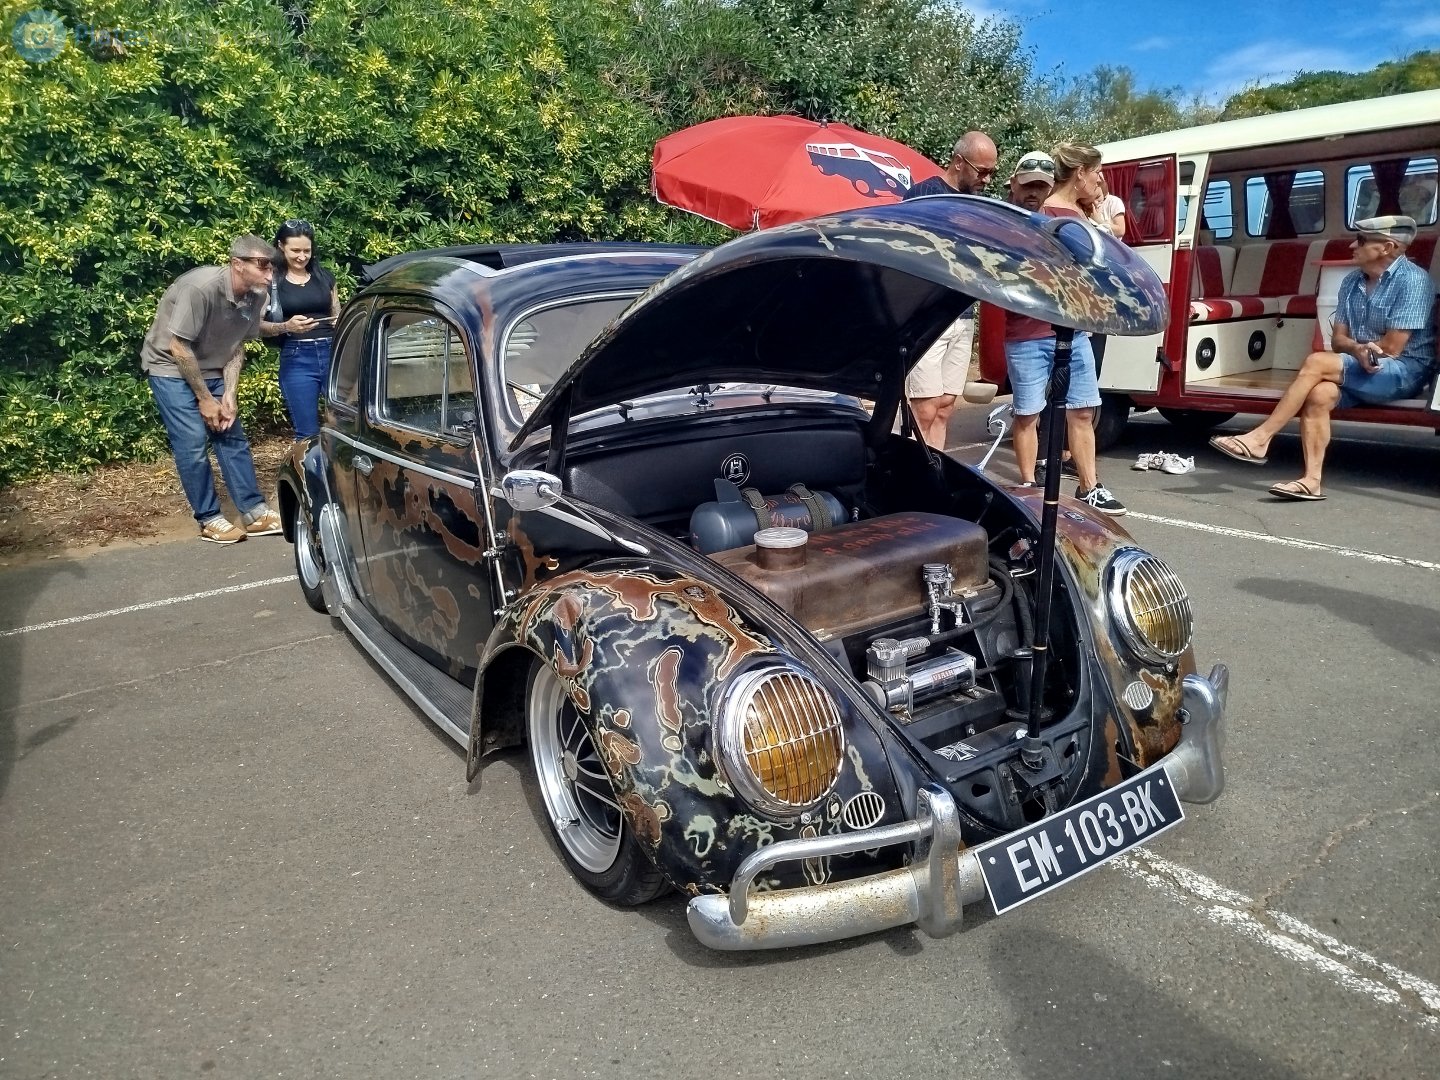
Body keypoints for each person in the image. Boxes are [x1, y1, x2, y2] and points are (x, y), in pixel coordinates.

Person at [1208, 215, 1436, 501]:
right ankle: (1311, 480)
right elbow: (1339, 339)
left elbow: (1392, 347)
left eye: (1362, 240)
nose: (1353, 245)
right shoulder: (1352, 281)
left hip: (1405, 371)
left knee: (1317, 362)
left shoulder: (1414, 281)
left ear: (1387, 247)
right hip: (1364, 366)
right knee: (1319, 394)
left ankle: (1260, 438)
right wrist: (1357, 350)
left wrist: (1359, 350)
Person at [1003, 142, 1126, 515]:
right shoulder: (1029, 217)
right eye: (1098, 173)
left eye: (1042, 186)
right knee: (1028, 414)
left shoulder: (1075, 217)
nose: (1035, 193)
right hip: (1028, 332)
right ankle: (1027, 488)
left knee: (1084, 410)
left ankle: (1090, 486)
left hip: (1074, 330)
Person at [140, 236, 284, 544]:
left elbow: (237, 346)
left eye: (271, 266)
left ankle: (254, 512)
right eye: (262, 266)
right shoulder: (200, 288)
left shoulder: (257, 294)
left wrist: (229, 393)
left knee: (231, 434)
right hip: (170, 367)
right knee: (192, 442)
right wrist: (205, 399)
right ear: (237, 263)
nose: (269, 274)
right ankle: (209, 518)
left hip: (213, 366)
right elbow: (178, 347)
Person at [900, 131, 999, 448]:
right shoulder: (925, 193)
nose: (987, 179)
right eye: (982, 171)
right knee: (924, 406)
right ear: (959, 161)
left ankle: (932, 480)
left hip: (963, 313)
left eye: (992, 172)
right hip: (928, 315)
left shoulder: (978, 204)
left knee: (944, 407)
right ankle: (905, 477)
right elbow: (905, 250)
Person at [260, 219, 340, 441]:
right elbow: (256, 327)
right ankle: (309, 475)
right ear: (281, 247)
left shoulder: (325, 277)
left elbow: (338, 311)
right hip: (297, 357)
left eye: (307, 250)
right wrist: (286, 326)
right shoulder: (271, 282)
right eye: (295, 250)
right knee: (307, 433)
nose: (302, 256)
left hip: (333, 354)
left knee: (344, 427)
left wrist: (340, 321)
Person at [1085, 173, 1128, 239]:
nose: (1095, 203)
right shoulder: (1086, 206)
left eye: (1097, 197)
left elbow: (1120, 231)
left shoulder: (1113, 201)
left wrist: (1099, 221)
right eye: (1090, 200)